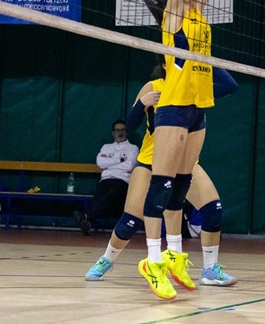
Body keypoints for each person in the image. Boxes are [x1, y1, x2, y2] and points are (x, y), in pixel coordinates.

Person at [84, 61, 239, 288]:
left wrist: (204, 58)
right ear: (166, 65)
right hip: (151, 163)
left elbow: (230, 86)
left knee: (213, 210)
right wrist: (142, 104)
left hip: (185, 164)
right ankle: (106, 259)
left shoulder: (197, 88)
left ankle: (210, 270)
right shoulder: (154, 87)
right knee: (129, 222)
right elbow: (130, 124)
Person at [138, 0, 218, 299]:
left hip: (198, 108)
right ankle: (152, 261)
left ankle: (174, 255)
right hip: (172, 108)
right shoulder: (173, 19)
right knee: (163, 185)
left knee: (182, 186)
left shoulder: (198, 10)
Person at [73, 120, 139, 235]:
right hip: (106, 179)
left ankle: (86, 217)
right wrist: (120, 160)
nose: (120, 133)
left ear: (127, 132)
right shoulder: (106, 147)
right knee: (101, 193)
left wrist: (110, 164)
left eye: (123, 130)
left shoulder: (133, 148)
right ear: (113, 133)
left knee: (111, 194)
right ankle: (88, 222)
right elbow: (100, 163)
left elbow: (129, 166)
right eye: (117, 130)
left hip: (123, 181)